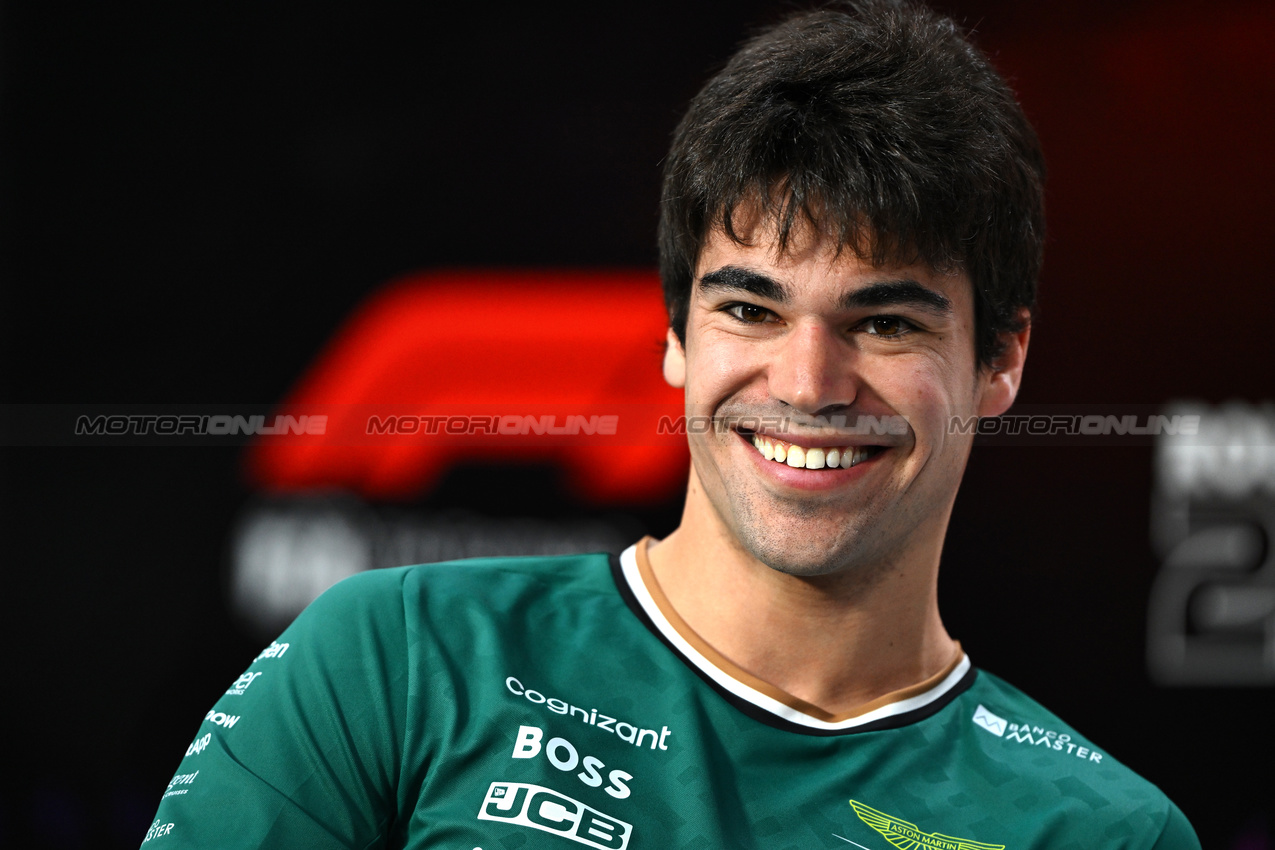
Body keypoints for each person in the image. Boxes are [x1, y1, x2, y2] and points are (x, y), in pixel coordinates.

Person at [142, 2, 1200, 848]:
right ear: (675, 336)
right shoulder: (399, 655)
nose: (809, 381)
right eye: (751, 308)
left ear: (1002, 355)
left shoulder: (1104, 830)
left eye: (882, 322)